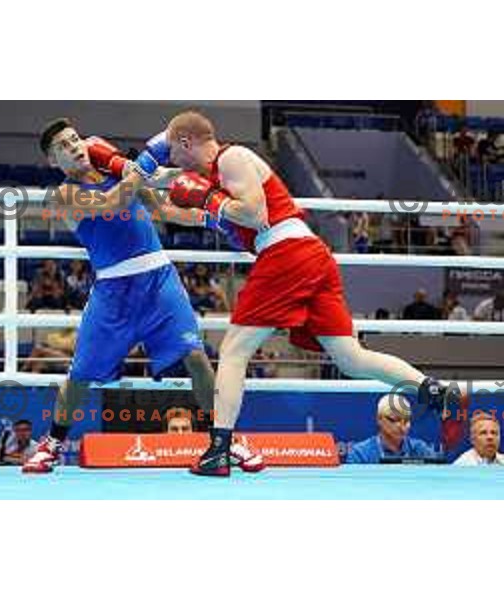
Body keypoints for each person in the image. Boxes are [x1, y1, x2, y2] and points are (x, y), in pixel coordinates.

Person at [153, 111, 463, 476]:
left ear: (187, 142)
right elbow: (190, 208)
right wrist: (152, 191)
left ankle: (218, 451)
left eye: (172, 150)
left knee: (234, 350)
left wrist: (206, 198)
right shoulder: (220, 180)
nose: (170, 157)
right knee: (351, 359)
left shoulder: (231, 159)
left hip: (286, 254)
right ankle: (435, 391)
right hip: (311, 255)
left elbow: (254, 215)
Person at [22, 117, 262, 473]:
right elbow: (113, 203)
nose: (74, 147)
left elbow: (162, 208)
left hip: (159, 281)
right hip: (113, 293)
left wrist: (212, 218)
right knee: (81, 374)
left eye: (75, 139)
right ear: (53, 161)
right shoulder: (64, 195)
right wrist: (143, 162)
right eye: (64, 147)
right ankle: (52, 444)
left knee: (196, 357)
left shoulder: (119, 172)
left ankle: (226, 439)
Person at [346, 395, 436, 464]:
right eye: (395, 420)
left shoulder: (421, 450)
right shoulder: (360, 454)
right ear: (379, 419)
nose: (401, 426)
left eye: (406, 420)